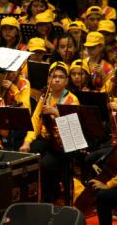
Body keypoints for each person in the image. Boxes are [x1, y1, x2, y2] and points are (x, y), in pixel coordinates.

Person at [19, 61, 79, 202]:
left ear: (66, 81)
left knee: (45, 164)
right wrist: (27, 142)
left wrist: (57, 113)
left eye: (60, 77)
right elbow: (35, 120)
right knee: (28, 155)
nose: (56, 80)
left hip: (63, 143)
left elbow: (73, 130)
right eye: (53, 76)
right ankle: (31, 196)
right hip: (47, 139)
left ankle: (49, 196)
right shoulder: (45, 96)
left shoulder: (72, 99)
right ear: (48, 79)